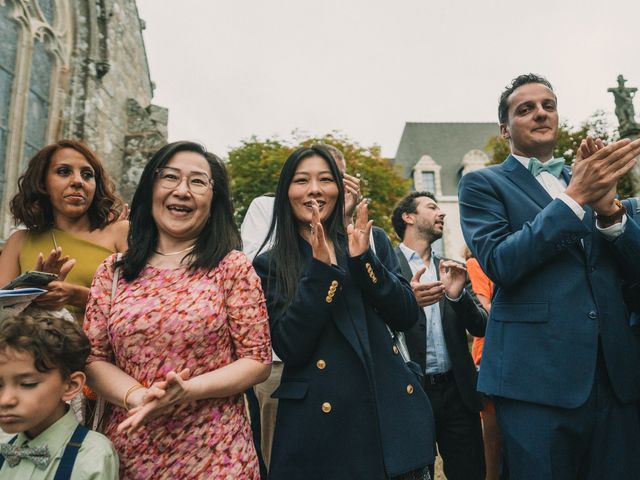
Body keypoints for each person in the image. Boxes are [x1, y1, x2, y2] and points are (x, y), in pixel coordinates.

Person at [458, 73, 640, 479]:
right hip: (535, 384)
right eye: (526, 109)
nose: (540, 113)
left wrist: (610, 212)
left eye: (548, 106)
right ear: (505, 129)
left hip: (614, 379)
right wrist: (574, 198)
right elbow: (501, 262)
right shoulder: (482, 184)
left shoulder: (596, 183)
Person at [83, 141, 272, 479]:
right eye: (170, 177)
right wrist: (138, 396)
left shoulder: (232, 267)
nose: (182, 190)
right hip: (130, 449)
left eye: (198, 181)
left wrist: (190, 390)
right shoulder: (113, 272)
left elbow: (257, 360)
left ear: (213, 201)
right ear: (150, 190)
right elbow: (93, 358)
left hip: (218, 453)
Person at [253, 145, 435, 480]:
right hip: (321, 429)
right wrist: (321, 273)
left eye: (325, 179)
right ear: (286, 192)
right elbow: (290, 346)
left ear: (339, 189)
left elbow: (406, 315)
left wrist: (363, 260)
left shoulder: (370, 240)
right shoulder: (269, 264)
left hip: (389, 416)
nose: (314, 190)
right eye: (301, 180)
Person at [241, 144, 361, 472]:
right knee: (285, 456)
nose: (317, 189)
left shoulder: (354, 227)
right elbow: (251, 266)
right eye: (309, 179)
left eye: (331, 178)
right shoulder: (264, 208)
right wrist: (313, 249)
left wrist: (343, 222)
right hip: (281, 365)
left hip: (343, 364)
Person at [391, 191, 486, 480]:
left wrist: (459, 298)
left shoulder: (453, 267)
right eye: (432, 207)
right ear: (408, 217)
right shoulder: (387, 266)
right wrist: (405, 297)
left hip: (458, 392)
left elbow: (482, 326)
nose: (441, 213)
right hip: (410, 392)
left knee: (471, 472)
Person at [0, 139, 128, 322]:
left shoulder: (120, 232)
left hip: (99, 348)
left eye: (87, 175)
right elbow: (1, 314)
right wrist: (31, 291)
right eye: (63, 171)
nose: (78, 181)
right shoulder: (20, 240)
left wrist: (76, 296)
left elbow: (144, 304)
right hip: (31, 347)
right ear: (42, 183)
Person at [0, 313, 118, 479]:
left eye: (28, 384)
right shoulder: (3, 443)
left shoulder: (91, 457)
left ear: (71, 386)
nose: (5, 400)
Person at [464, 247, 502, 480]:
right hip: (488, 353)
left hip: (510, 352)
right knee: (492, 436)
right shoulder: (475, 264)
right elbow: (483, 306)